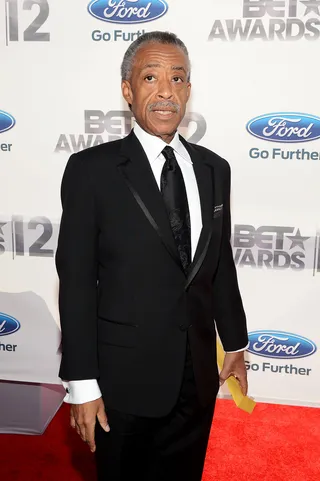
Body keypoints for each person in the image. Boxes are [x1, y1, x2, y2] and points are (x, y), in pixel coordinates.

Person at [55, 31, 249, 481]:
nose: (166, 90)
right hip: (122, 383)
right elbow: (78, 283)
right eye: (150, 77)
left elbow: (220, 264)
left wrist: (235, 343)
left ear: (188, 90)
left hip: (196, 379)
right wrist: (82, 386)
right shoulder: (91, 171)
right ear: (128, 89)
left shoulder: (214, 169)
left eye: (178, 78)